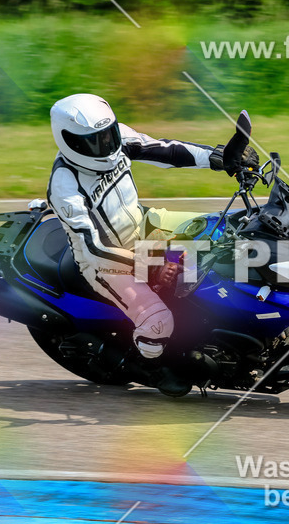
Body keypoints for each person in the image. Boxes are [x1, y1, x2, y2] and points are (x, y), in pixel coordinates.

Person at [45, 93, 256, 395]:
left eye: (108, 135)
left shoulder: (117, 139)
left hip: (143, 223)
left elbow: (168, 151)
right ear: (69, 140)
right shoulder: (65, 187)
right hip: (106, 264)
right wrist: (151, 263)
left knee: (221, 229)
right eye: (93, 141)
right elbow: (93, 248)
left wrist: (220, 158)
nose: (105, 145)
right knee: (159, 322)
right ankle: (153, 368)